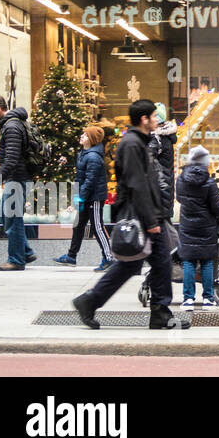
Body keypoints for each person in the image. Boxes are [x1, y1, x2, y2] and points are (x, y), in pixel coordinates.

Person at [71, 100, 189, 330]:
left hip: (146, 214)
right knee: (157, 263)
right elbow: (137, 185)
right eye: (154, 116)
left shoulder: (137, 142)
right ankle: (158, 314)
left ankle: (91, 301)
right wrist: (151, 220)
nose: (157, 120)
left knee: (135, 265)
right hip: (143, 216)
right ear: (144, 119)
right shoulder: (133, 144)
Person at [0, 95, 36, 271]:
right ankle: (26, 251)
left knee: (12, 218)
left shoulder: (12, 126)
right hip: (16, 177)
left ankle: (16, 259)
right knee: (8, 216)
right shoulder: (11, 124)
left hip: (17, 178)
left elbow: (12, 159)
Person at [55, 125, 113, 270]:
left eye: (85, 135)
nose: (81, 136)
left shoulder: (93, 157)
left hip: (93, 198)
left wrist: (78, 199)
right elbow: (81, 178)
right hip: (86, 196)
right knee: (79, 225)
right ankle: (71, 256)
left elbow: (89, 182)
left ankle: (109, 258)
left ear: (92, 139)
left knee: (97, 227)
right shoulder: (84, 153)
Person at [176, 145, 219, 309]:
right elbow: (217, 208)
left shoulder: (181, 180)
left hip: (187, 225)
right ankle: (208, 299)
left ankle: (188, 299)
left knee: (188, 261)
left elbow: (180, 199)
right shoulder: (209, 182)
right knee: (207, 262)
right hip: (206, 227)